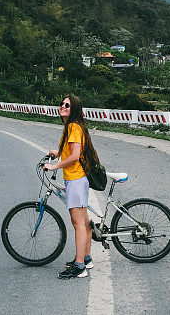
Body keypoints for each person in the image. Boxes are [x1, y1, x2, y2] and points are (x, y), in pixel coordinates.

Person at [44, 94, 101, 279]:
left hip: (76, 180)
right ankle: (86, 258)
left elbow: (75, 156)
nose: (63, 107)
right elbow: (71, 149)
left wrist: (54, 165)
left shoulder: (74, 127)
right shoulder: (70, 126)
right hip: (76, 179)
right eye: (61, 104)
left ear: (74, 109)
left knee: (78, 224)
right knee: (83, 222)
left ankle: (79, 267)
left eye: (67, 105)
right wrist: (58, 152)